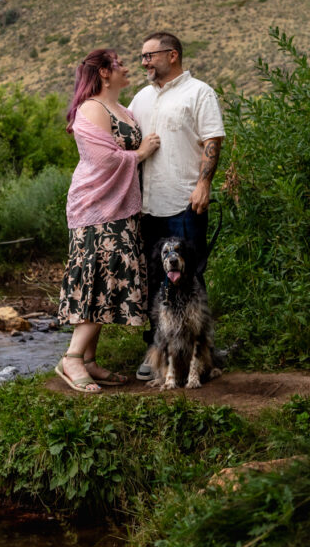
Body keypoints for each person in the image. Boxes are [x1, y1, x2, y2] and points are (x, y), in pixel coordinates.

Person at [56, 48, 160, 392]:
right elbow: (104, 160)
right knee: (96, 279)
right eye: (119, 65)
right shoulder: (91, 108)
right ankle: (71, 358)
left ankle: (88, 360)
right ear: (103, 72)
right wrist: (141, 153)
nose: (126, 69)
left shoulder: (123, 110)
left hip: (120, 208)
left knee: (106, 279)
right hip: (95, 207)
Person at [128, 31, 225, 377]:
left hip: (186, 202)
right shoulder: (139, 98)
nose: (144, 62)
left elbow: (212, 139)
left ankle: (202, 354)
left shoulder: (199, 92)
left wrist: (204, 183)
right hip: (147, 206)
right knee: (155, 280)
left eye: (149, 55)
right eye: (141, 56)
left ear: (172, 55)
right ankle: (156, 351)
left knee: (192, 278)